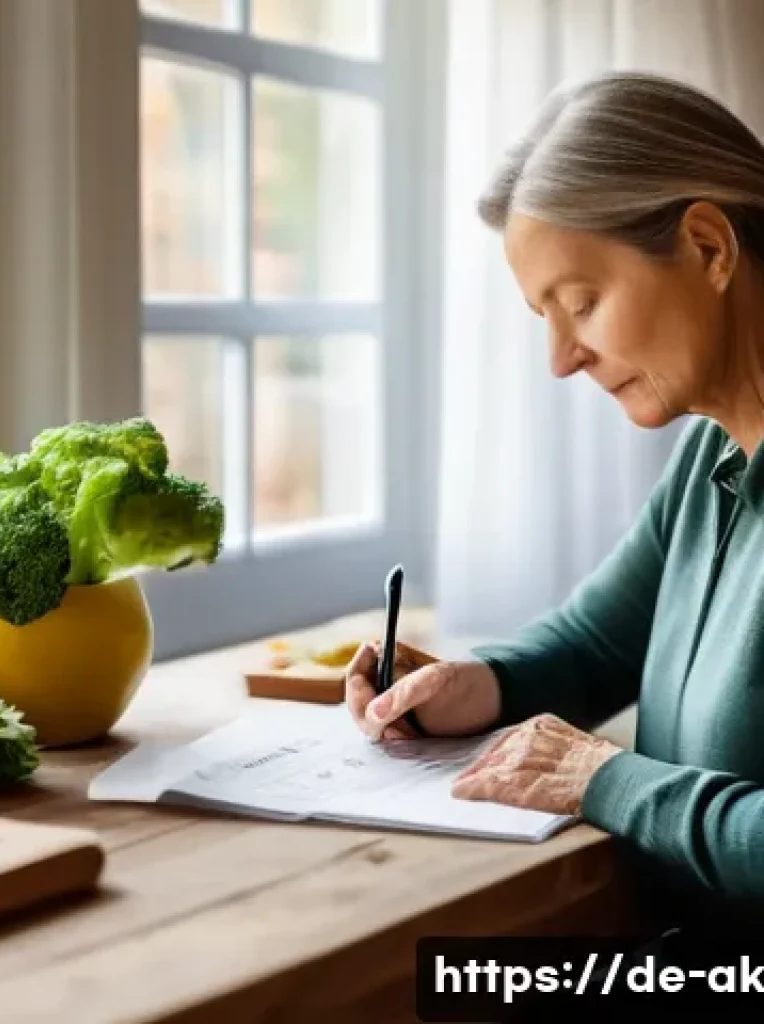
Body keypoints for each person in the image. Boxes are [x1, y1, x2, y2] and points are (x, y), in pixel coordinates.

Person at [346, 70, 764, 947]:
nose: (563, 359)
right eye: (547, 315)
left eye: (582, 303)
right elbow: (599, 643)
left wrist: (607, 781)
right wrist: (475, 687)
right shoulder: (712, 455)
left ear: (708, 247)